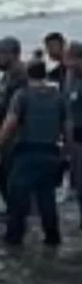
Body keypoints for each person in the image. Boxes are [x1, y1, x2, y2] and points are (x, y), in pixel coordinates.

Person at [0, 56, 70, 246]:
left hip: (27, 152)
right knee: (47, 197)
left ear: (28, 74)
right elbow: (67, 126)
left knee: (18, 197)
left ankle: (14, 239)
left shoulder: (22, 95)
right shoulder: (58, 96)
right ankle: (52, 237)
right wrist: (65, 151)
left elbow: (10, 124)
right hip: (51, 152)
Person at [0, 36, 28, 211]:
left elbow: (14, 109)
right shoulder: (7, 76)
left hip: (18, 134)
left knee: (10, 175)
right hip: (8, 132)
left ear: (10, 54)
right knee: (2, 175)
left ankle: (20, 210)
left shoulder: (20, 76)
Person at [63, 40, 82, 224]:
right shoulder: (70, 77)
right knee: (77, 182)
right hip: (75, 137)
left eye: (71, 60)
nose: (68, 65)